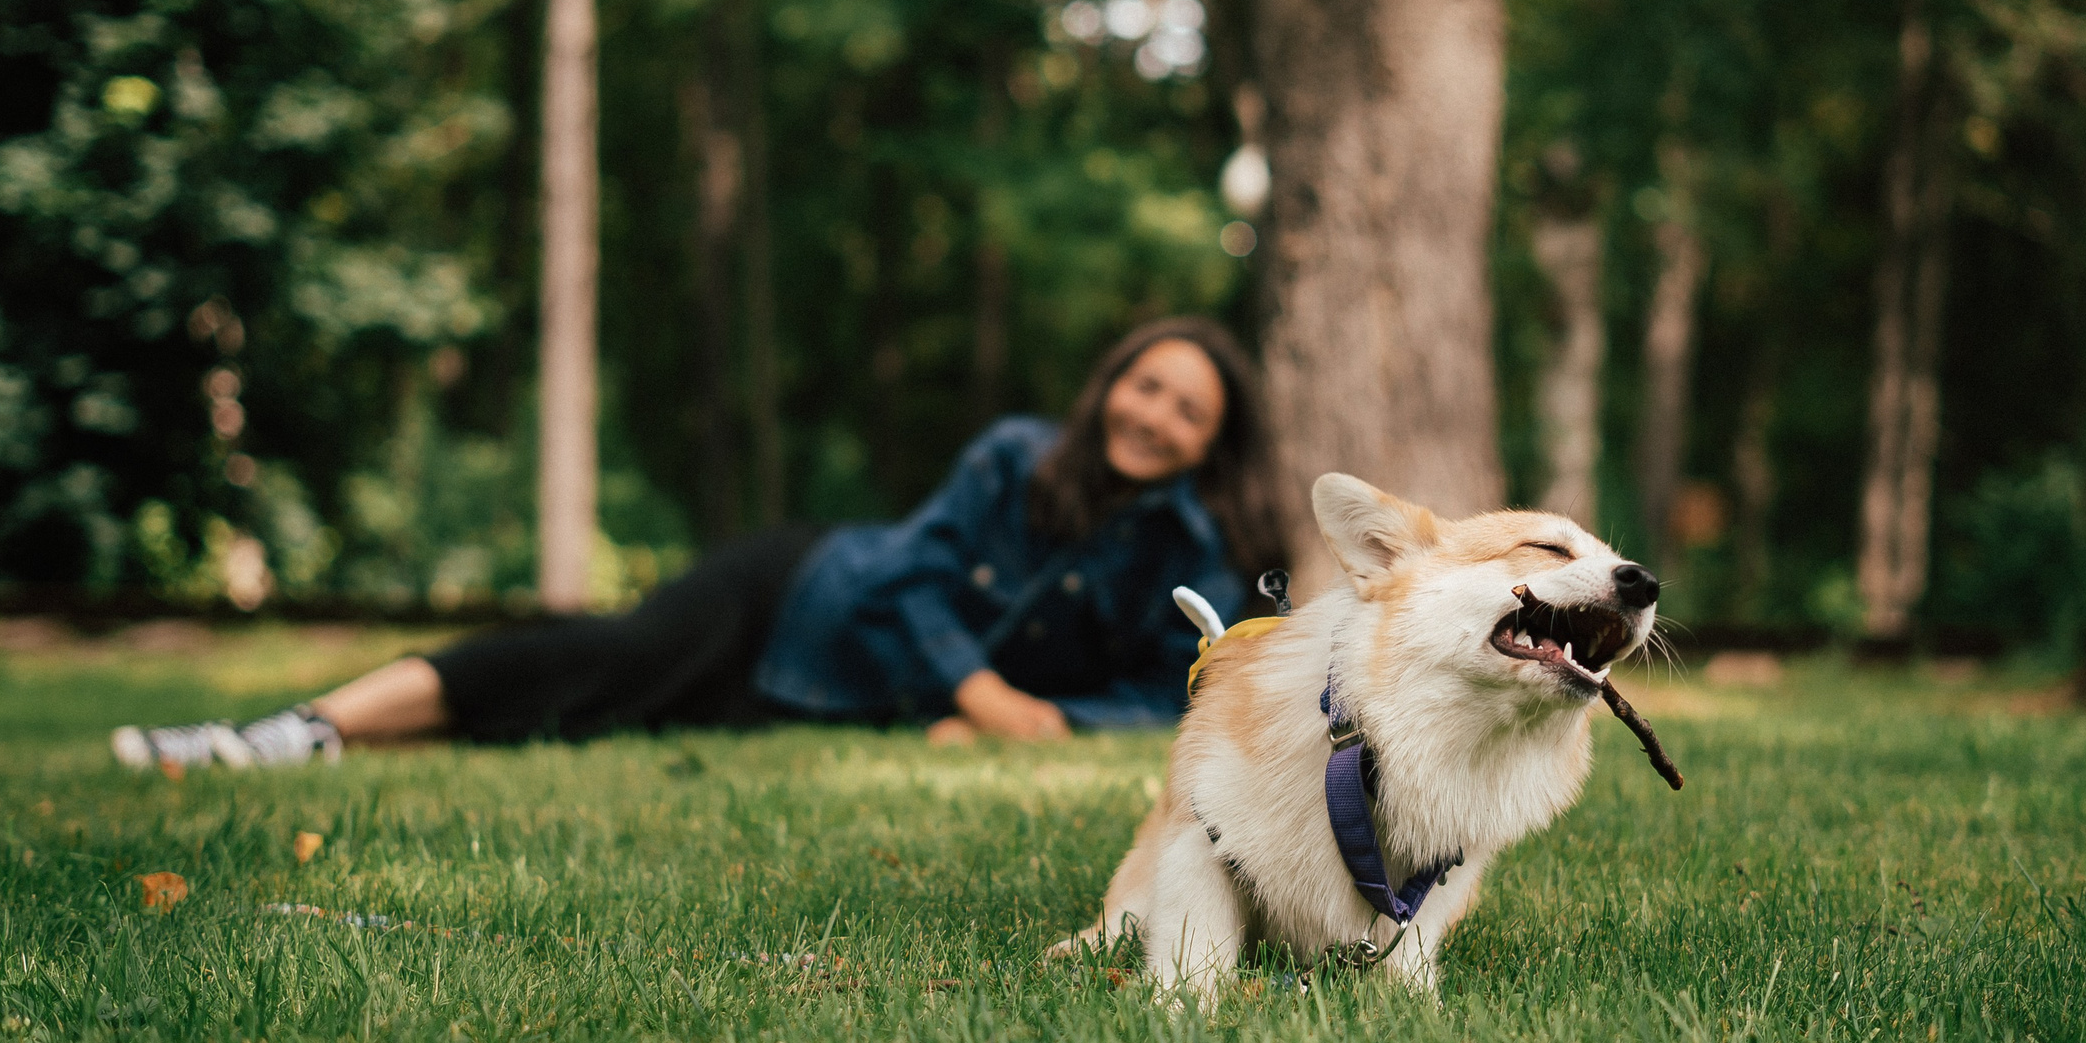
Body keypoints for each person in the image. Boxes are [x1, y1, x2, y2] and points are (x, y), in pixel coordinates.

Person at [111, 317, 1283, 768]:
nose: (1154, 416)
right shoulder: (1015, 455)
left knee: (597, 717)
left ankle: (331, 739)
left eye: (1188, 411)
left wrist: (1052, 721)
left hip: (825, 698)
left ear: (1207, 444)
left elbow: (1179, 688)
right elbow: (920, 576)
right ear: (1110, 382)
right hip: (796, 600)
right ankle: (293, 729)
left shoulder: (1190, 552)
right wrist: (981, 693)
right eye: (1146, 385)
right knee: (600, 658)